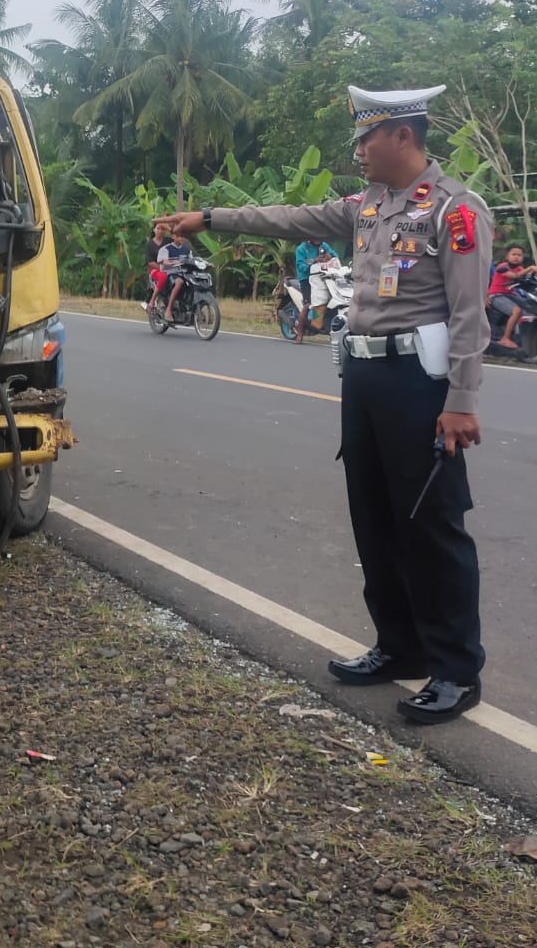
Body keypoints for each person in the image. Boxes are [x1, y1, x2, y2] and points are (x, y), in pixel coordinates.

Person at [155, 84, 492, 725]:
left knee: (432, 527)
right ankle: (399, 647)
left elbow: (470, 316)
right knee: (374, 518)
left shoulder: (454, 210)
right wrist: (211, 218)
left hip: (420, 386)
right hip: (363, 380)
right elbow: (290, 218)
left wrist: (462, 401)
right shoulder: (366, 205)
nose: (358, 150)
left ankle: (455, 671)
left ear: (402, 135)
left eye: (366, 138)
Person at [487, 243, 537, 349]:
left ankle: (520, 338)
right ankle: (505, 339)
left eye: (519, 255)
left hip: (510, 294)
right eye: (514, 254)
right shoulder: (502, 267)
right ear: (507, 256)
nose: (516, 257)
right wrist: (531, 268)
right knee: (517, 311)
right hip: (496, 295)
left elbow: (525, 277)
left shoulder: (519, 268)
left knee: (529, 309)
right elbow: (515, 276)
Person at [295, 239, 340, 342]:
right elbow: (300, 266)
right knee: (307, 305)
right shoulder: (301, 249)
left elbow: (335, 255)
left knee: (330, 300)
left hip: (323, 277)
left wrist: (330, 256)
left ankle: (328, 328)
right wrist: (315, 261)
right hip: (306, 279)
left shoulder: (324, 245)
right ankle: (300, 334)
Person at [142, 220, 176, 311]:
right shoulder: (150, 244)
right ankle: (152, 301)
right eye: (158, 228)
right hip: (155, 270)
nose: (160, 231)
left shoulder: (168, 241)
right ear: (154, 230)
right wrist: (162, 268)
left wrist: (168, 228)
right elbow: (149, 262)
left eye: (162, 229)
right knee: (163, 277)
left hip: (170, 268)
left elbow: (177, 237)